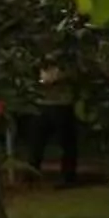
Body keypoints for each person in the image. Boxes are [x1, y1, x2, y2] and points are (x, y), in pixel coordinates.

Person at [26, 58, 81, 187]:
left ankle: (68, 177)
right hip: (43, 104)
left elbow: (73, 77)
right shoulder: (38, 59)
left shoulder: (67, 58)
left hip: (62, 104)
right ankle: (32, 174)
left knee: (66, 143)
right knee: (36, 142)